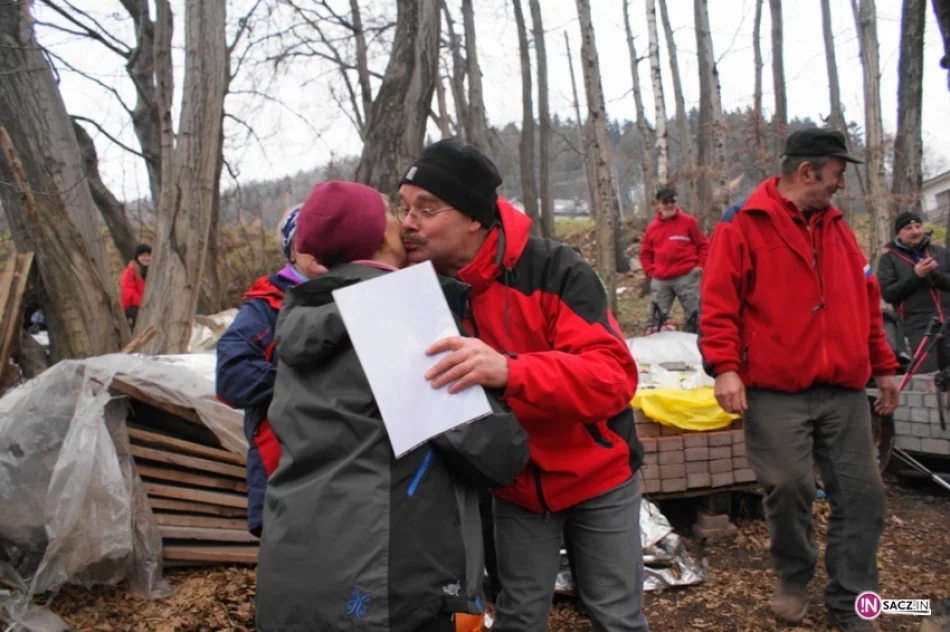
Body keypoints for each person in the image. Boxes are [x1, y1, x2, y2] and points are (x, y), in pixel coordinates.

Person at [255, 181, 529, 632]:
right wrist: (502, 382)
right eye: (390, 211)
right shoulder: (398, 313)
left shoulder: (302, 317)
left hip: (297, 573)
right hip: (388, 583)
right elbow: (494, 453)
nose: (405, 221)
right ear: (375, 235)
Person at [397, 139, 648, 632]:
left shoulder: (555, 269)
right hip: (513, 487)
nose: (408, 223)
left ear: (474, 217)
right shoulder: (415, 286)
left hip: (597, 473)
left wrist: (511, 370)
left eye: (426, 209)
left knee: (616, 615)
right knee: (518, 617)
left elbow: (612, 378)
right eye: (403, 208)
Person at [698, 128, 899, 632]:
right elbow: (719, 302)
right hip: (775, 389)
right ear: (807, 171)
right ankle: (793, 575)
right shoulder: (741, 224)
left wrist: (884, 368)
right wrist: (725, 367)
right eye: (837, 174)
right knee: (788, 487)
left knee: (863, 496)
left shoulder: (839, 229)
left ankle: (853, 599)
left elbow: (866, 303)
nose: (841, 186)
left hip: (844, 390)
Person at [215, 206, 325, 538]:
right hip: (283, 472)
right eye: (307, 239)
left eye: (326, 237)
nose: (318, 246)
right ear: (291, 251)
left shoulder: (360, 294)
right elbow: (232, 376)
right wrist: (316, 382)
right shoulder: (265, 306)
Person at [877, 211, 950, 373]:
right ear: (899, 234)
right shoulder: (889, 260)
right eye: (909, 228)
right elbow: (888, 294)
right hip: (918, 328)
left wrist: (935, 276)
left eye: (918, 226)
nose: (915, 231)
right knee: (928, 377)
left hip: (947, 321)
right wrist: (916, 276)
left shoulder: (941, 252)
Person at [639, 187, 709, 332]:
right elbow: (645, 254)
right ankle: (654, 348)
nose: (670, 205)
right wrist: (650, 272)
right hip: (661, 280)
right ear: (658, 204)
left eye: (673, 201)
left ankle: (697, 346)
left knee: (695, 316)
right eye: (666, 202)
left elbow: (703, 245)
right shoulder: (652, 228)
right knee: (655, 320)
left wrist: (700, 266)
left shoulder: (688, 222)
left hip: (687, 276)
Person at [120, 243, 151, 328]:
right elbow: (129, 293)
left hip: (146, 306)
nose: (146, 258)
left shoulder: (151, 271)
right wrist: (145, 304)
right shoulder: (130, 271)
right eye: (143, 255)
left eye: (148, 255)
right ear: (137, 257)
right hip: (132, 307)